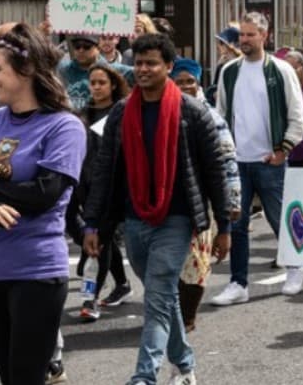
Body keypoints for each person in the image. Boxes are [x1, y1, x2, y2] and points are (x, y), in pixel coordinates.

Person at [81, 34, 232, 385]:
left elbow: (215, 171)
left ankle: (144, 376)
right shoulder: (122, 113)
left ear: (168, 66)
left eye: (151, 63)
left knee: (159, 292)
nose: (143, 69)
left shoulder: (192, 112)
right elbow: (104, 172)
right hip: (134, 219)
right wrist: (92, 224)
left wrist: (224, 226)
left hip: (177, 219)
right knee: (162, 297)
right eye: (139, 63)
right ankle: (185, 365)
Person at [0, 24, 87, 385]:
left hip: (37, 270)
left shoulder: (64, 127)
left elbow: (44, 194)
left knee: (26, 378)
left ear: (26, 71)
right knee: (9, 378)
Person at [210, 12, 303, 304]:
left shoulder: (280, 70)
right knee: (237, 225)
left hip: (270, 160)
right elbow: (221, 113)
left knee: (279, 219)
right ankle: (238, 283)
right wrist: (224, 153)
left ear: (265, 36)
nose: (245, 40)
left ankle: (295, 267)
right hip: (237, 161)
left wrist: (284, 149)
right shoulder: (229, 71)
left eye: (251, 34)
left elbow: (297, 113)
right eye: (242, 35)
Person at [168, 58, 241, 333]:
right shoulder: (161, 111)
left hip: (203, 200)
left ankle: (187, 318)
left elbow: (227, 162)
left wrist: (232, 201)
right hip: (168, 201)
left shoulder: (210, 116)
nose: (185, 86)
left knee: (196, 262)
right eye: (179, 81)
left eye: (190, 81)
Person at [75, 64, 132, 322]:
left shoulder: (121, 112)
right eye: (93, 83)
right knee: (98, 239)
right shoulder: (82, 115)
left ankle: (91, 298)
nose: (96, 87)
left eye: (102, 83)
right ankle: (122, 283)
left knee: (100, 242)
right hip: (85, 186)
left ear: (113, 85)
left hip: (112, 187)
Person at [58, 34, 128, 111]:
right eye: (77, 47)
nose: (81, 50)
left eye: (87, 46)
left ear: (98, 48)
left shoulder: (112, 69)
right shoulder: (63, 69)